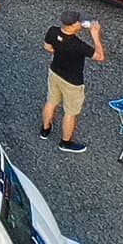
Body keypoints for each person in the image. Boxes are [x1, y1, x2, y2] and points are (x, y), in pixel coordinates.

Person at [41, 12, 103, 150]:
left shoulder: (53, 31)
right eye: (78, 21)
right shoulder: (77, 45)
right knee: (70, 112)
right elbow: (99, 56)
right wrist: (95, 34)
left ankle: (45, 129)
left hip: (54, 72)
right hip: (72, 82)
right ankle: (65, 142)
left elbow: (48, 47)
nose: (80, 23)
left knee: (51, 101)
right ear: (73, 25)